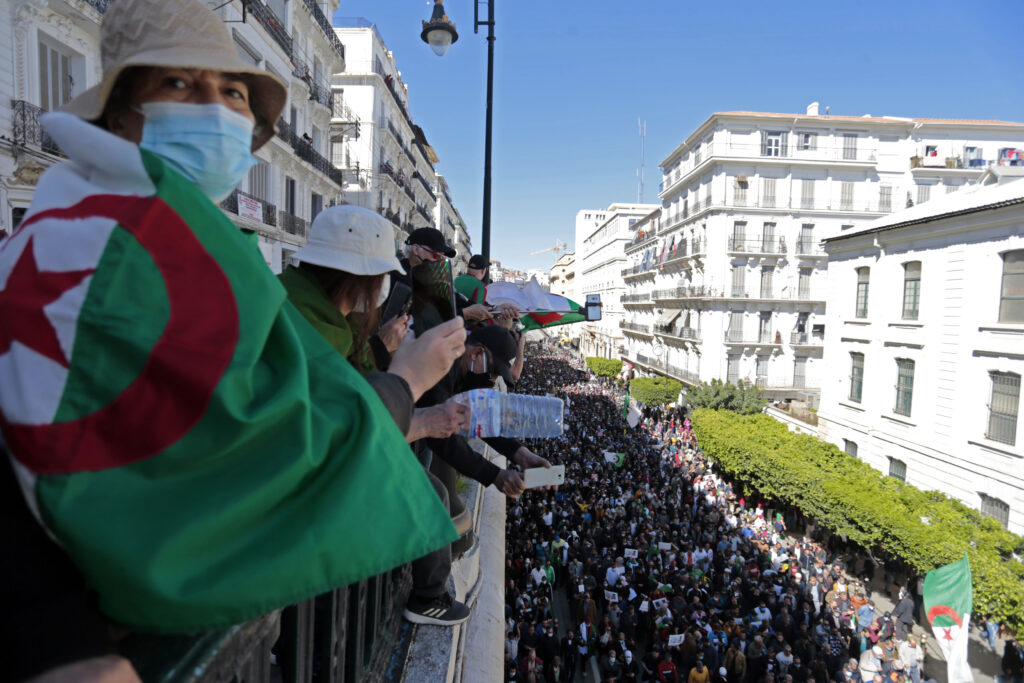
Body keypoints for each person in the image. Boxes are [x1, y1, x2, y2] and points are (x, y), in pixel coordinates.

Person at [1, 0, 458, 678]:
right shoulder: (134, 244)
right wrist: (408, 381)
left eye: (233, 91)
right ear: (122, 112)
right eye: (180, 84)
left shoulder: (83, 216)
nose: (216, 108)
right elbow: (275, 444)